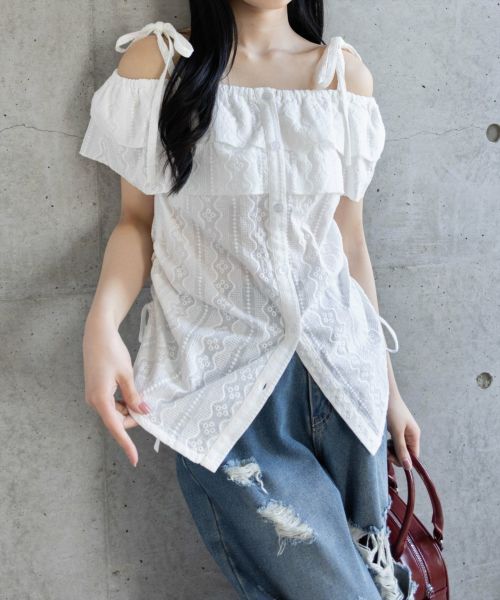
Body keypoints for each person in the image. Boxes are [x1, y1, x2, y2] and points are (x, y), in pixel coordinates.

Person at [80, 1, 420, 598]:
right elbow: (136, 223)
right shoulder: (160, 65)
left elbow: (349, 244)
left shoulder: (342, 77)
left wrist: (389, 391)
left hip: (346, 385)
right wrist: (102, 326)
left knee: (382, 582)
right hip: (225, 394)